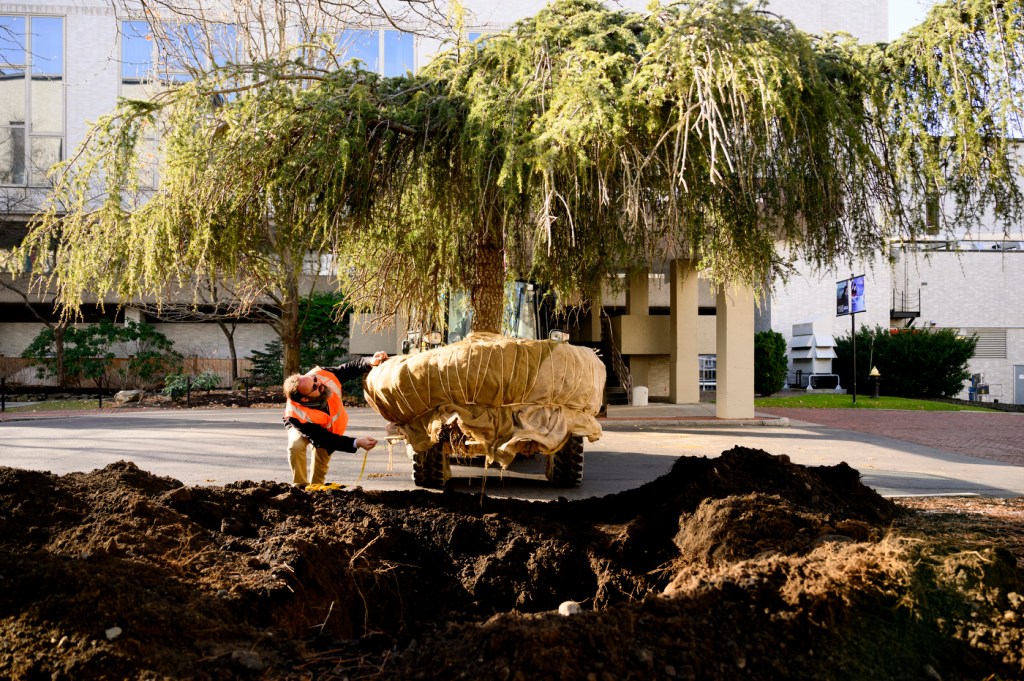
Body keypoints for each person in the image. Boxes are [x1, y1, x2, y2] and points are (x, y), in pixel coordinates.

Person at [282, 351, 388, 487]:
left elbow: (351, 368)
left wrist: (370, 361)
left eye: (315, 379)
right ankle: (300, 486)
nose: (319, 383)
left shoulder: (324, 377)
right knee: (296, 445)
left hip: (331, 426)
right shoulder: (295, 415)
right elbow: (321, 438)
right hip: (306, 426)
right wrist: (356, 442)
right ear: (305, 398)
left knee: (321, 458)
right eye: (314, 387)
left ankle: (316, 488)